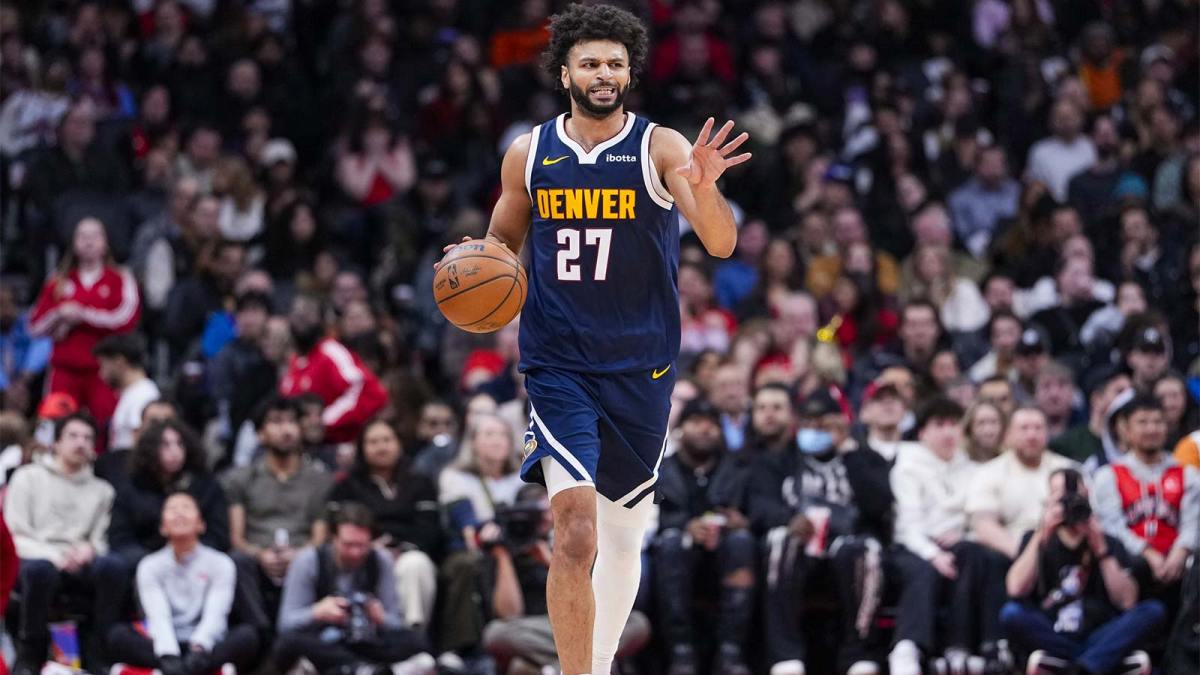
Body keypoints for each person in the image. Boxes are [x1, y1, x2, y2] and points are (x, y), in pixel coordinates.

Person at [435, 6, 751, 673]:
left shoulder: (659, 146)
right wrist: (477, 259)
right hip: (559, 365)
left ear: (630, 70)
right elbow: (502, 244)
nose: (604, 74)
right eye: (590, 62)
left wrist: (707, 187)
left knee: (624, 532)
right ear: (565, 72)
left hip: (641, 365)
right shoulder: (530, 152)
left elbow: (720, 242)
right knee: (574, 529)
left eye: (614, 62)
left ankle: (596, 662)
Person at [1000, 469, 1163, 675]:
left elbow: (1127, 601)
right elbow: (1015, 588)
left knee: (1153, 610)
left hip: (1100, 632)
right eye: (1060, 497)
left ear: (1086, 496)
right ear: (1048, 500)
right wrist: (1042, 533)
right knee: (1011, 613)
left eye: (1074, 496)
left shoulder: (1107, 541)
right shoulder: (1036, 539)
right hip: (1054, 632)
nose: (1068, 504)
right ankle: (1095, 663)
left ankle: (1074, 668)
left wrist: (1101, 551)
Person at [483, 485, 650, 674]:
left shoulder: (578, 537)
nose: (547, 518)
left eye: (550, 510)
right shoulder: (507, 544)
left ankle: (552, 668)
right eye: (539, 513)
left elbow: (596, 598)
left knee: (638, 622)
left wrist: (555, 561)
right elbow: (510, 613)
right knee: (495, 633)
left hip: (583, 622)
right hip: (536, 627)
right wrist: (503, 556)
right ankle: (584, 662)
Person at [889, 398, 1002, 675]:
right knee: (927, 569)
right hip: (914, 545)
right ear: (922, 433)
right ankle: (910, 650)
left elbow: (978, 516)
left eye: (953, 425)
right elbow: (907, 525)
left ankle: (980, 647)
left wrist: (968, 535)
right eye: (939, 425)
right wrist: (932, 553)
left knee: (980, 555)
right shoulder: (907, 466)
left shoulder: (973, 469)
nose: (948, 432)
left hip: (959, 544)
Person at [4, 412, 118, 674]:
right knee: (39, 570)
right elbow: (14, 535)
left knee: (112, 568)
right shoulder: (27, 477)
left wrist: (91, 550)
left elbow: (100, 540)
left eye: (88, 438)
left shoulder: (103, 490)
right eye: (73, 436)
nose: (81, 443)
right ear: (56, 442)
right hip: (35, 557)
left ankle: (98, 652)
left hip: (80, 561)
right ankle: (30, 652)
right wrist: (55, 555)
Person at [107, 492, 259, 675]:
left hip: (205, 646)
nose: (179, 513)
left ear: (201, 525)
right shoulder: (149, 565)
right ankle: (183, 669)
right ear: (163, 527)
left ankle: (184, 669)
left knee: (247, 636)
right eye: (172, 509)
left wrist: (199, 649)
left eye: (186, 508)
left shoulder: (221, 563)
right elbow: (157, 617)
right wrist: (169, 655)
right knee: (118, 636)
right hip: (162, 644)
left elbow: (216, 615)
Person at [653, 398, 753, 675]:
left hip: (727, 555)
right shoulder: (661, 471)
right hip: (678, 557)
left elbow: (756, 514)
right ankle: (680, 651)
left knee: (742, 542)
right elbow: (651, 520)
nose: (705, 429)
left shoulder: (738, 469)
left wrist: (741, 521)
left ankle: (731, 651)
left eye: (711, 424)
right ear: (681, 428)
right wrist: (686, 526)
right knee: (671, 542)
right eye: (697, 422)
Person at [272, 502, 432, 675]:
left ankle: (358, 669)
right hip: (324, 640)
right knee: (288, 643)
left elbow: (396, 621)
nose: (355, 553)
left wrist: (380, 617)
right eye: (348, 545)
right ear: (333, 538)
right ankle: (369, 669)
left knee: (417, 641)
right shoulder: (308, 561)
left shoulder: (380, 560)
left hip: (367, 640)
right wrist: (317, 612)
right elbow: (286, 623)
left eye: (362, 545)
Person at [221, 397, 334, 627]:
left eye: (292, 421)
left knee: (321, 557)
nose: (286, 429)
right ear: (261, 434)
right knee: (237, 560)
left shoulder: (320, 479)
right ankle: (261, 632)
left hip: (303, 556)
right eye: (276, 421)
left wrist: (299, 555)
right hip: (258, 557)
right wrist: (260, 554)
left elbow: (319, 537)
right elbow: (237, 538)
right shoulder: (241, 478)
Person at [29, 217, 141, 437]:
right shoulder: (58, 280)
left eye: (94, 236)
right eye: (82, 236)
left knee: (105, 428)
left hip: (104, 372)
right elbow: (34, 326)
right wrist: (59, 315)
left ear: (105, 242)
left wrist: (83, 315)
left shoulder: (120, 278)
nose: (88, 242)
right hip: (65, 369)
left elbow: (127, 319)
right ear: (74, 242)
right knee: (53, 427)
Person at [329, 419, 441, 631]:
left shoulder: (420, 482)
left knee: (415, 564)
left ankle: (411, 637)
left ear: (399, 443)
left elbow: (430, 529)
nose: (381, 447)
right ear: (361, 448)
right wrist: (370, 549)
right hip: (363, 556)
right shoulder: (347, 486)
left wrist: (401, 550)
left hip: (408, 554)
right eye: (373, 442)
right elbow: (338, 528)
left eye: (387, 440)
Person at [1092, 395, 1198, 602]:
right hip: (1132, 564)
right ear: (1126, 430)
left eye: (1158, 422)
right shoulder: (1109, 475)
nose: (1151, 429)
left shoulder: (1187, 474)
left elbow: (1193, 523)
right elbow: (1112, 526)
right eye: (1142, 422)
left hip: (1179, 563)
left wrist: (1180, 552)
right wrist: (1148, 553)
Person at [279, 294, 387, 444]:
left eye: (308, 313)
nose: (301, 319)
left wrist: (323, 421)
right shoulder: (294, 362)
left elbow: (370, 393)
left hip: (334, 445)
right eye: (297, 314)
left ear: (322, 321)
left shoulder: (331, 352)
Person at [93, 334, 160, 451]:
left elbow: (141, 441)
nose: (101, 373)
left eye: (103, 365)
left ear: (119, 362)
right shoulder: (130, 392)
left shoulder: (143, 394)